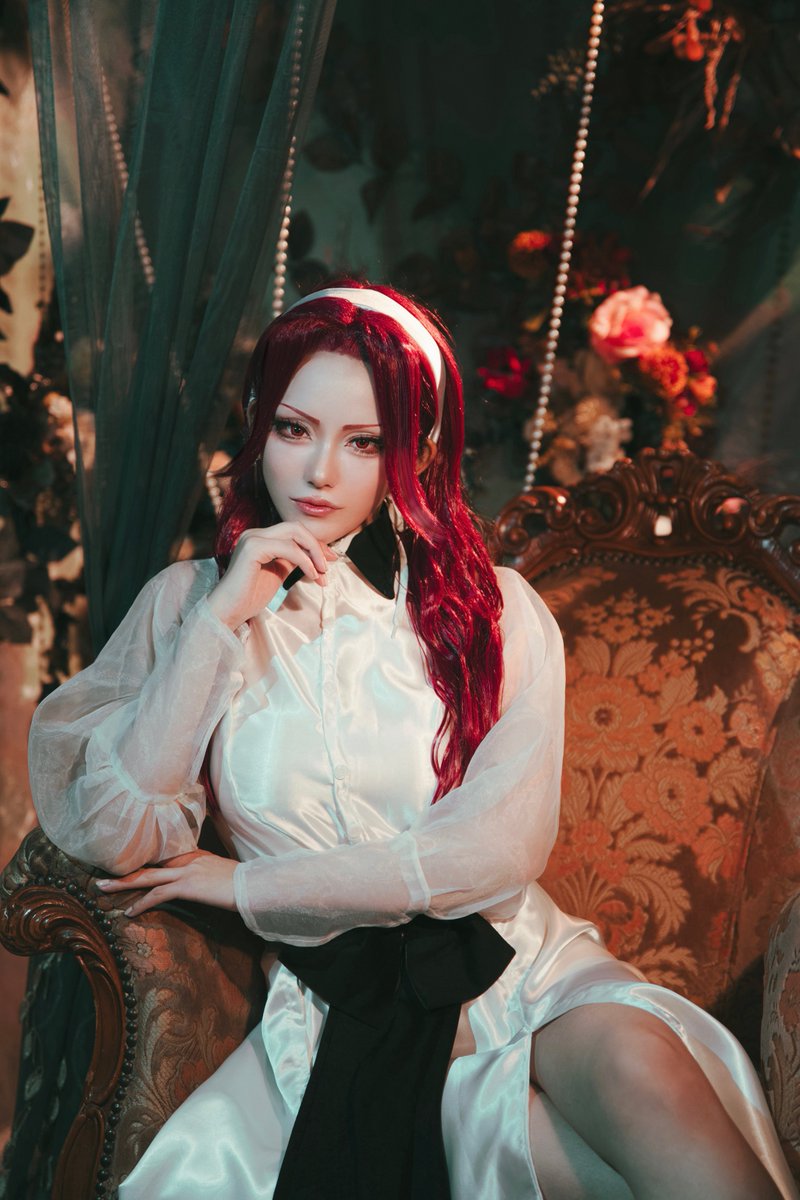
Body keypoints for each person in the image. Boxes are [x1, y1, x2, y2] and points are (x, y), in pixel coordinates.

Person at [28, 283, 796, 1200]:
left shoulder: (498, 610)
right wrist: (222, 620)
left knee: (645, 1066)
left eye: (364, 442)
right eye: (293, 429)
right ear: (257, 424)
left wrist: (247, 886)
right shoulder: (189, 606)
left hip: (518, 968)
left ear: (419, 448)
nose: (319, 472)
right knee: (579, 1172)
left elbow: (496, 853)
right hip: (345, 1005)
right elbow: (116, 832)